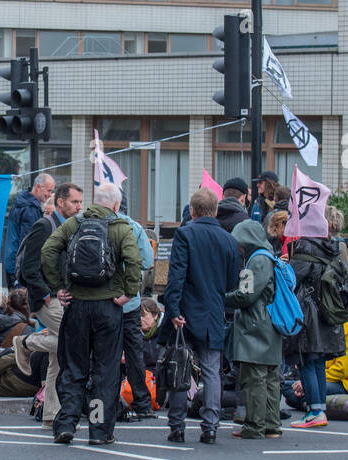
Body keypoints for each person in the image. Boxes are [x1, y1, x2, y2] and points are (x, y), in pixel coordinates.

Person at [40, 183, 142, 446]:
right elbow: (133, 260)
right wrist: (128, 292)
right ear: (116, 205)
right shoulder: (120, 227)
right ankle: (98, 430)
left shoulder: (74, 224)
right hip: (109, 306)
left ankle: (66, 424)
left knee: (73, 367)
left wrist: (58, 287)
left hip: (76, 305)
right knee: (105, 372)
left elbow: (48, 250)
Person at [160, 188, 240, 444]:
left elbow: (176, 277)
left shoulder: (185, 234)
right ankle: (211, 426)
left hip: (185, 311)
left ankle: (177, 426)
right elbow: (231, 283)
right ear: (215, 211)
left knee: (179, 368)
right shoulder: (228, 240)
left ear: (192, 211)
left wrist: (172, 310)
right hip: (213, 312)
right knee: (212, 370)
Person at [13, 182, 83, 425]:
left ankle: (51, 415)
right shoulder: (44, 226)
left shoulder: (71, 228)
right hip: (48, 299)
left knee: (57, 356)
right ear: (60, 202)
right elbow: (28, 267)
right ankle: (26, 342)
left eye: (80, 202)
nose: (79, 207)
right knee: (73, 336)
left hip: (62, 298)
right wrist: (46, 294)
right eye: (74, 202)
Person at [225, 219, 283, 439]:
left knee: (254, 378)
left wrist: (222, 298)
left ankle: (254, 426)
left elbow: (246, 295)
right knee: (270, 378)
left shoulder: (256, 260)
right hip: (269, 324)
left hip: (255, 327)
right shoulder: (269, 256)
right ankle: (271, 425)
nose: (237, 246)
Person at [285, 231, 348, 428]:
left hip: (308, 314)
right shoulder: (332, 250)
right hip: (328, 314)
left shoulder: (304, 250)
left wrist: (285, 263)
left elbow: (290, 280)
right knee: (319, 361)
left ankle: (315, 411)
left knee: (306, 361)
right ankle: (320, 409)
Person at [114, 186, 157, 421]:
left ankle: (107, 402)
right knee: (134, 355)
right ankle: (142, 403)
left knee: (104, 355)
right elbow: (148, 262)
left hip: (102, 301)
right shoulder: (134, 226)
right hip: (129, 302)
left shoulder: (88, 224)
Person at [4, 173, 54, 286]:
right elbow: (29, 244)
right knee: (23, 302)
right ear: (38, 187)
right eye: (49, 190)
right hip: (20, 269)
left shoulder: (22, 203)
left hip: (13, 264)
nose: (50, 195)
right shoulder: (30, 210)